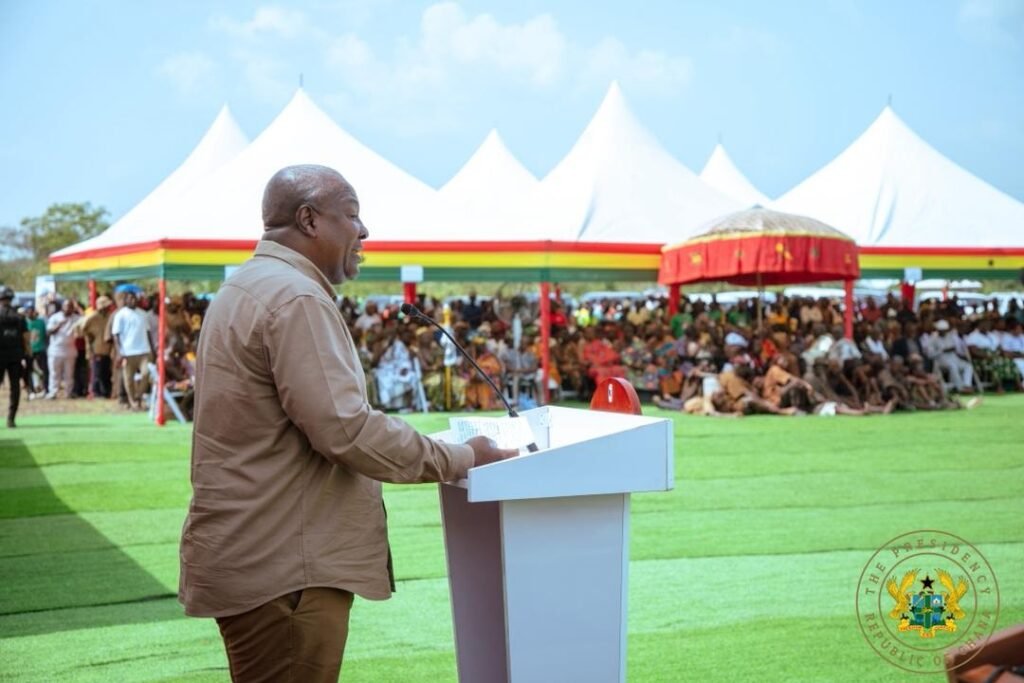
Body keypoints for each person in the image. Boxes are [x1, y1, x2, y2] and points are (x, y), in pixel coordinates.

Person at [178, 165, 515, 682]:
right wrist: (465, 457)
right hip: (287, 565)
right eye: (352, 215)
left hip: (264, 554)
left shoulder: (248, 285)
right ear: (309, 220)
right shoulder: (295, 297)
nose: (364, 231)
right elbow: (346, 431)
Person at [111, 291, 154, 410]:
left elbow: (148, 332)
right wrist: (119, 352)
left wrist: (152, 349)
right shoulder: (120, 314)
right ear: (126, 301)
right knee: (128, 378)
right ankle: (132, 401)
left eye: (134, 298)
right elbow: (115, 335)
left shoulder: (143, 314)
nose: (133, 301)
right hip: (127, 352)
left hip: (144, 350)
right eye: (130, 299)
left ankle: (138, 396)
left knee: (146, 374)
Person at [0, 288, 30, 427]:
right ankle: (11, 419)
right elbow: (26, 337)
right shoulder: (19, 317)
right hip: (16, 355)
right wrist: (28, 353)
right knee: (15, 387)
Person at [80, 295, 115, 398]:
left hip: (108, 348)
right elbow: (80, 329)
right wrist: (89, 336)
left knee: (107, 371)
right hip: (96, 348)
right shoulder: (92, 317)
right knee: (97, 372)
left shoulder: (110, 316)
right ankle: (97, 392)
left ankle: (106, 392)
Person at [45, 299, 81, 399]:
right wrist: (59, 325)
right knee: (54, 373)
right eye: (66, 306)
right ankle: (53, 392)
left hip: (70, 350)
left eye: (70, 307)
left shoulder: (76, 318)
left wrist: (79, 309)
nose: (68, 308)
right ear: (62, 307)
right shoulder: (55, 317)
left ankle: (68, 393)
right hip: (55, 350)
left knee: (69, 374)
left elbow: (85, 321)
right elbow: (49, 332)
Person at [24, 305, 48, 397]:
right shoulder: (24, 322)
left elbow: (45, 335)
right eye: (28, 312)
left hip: (40, 349)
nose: (30, 313)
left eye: (31, 311)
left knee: (43, 370)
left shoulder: (41, 322)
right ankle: (31, 390)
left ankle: (44, 389)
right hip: (28, 351)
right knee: (29, 371)